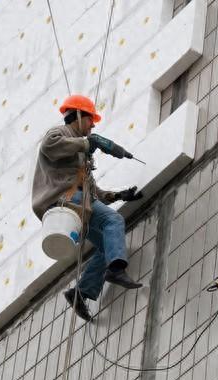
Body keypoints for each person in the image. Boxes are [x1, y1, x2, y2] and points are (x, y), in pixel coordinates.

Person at [32, 94, 143, 321]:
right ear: (79, 115)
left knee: (106, 246)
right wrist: (87, 143)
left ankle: (81, 292)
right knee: (114, 221)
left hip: (78, 208)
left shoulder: (81, 155)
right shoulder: (60, 134)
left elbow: (92, 192)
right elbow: (49, 145)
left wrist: (118, 195)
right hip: (64, 201)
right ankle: (116, 270)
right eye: (91, 119)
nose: (93, 125)